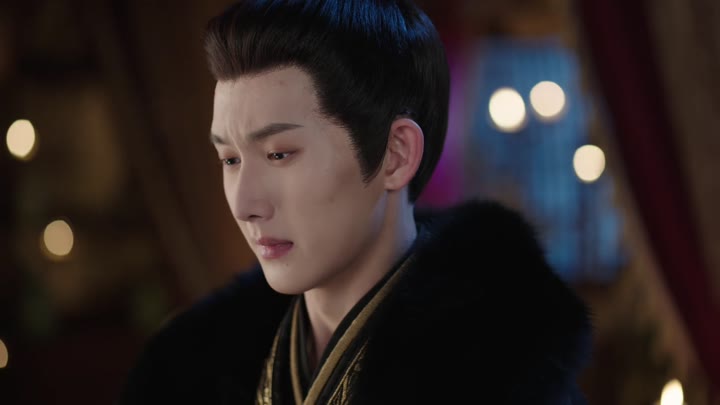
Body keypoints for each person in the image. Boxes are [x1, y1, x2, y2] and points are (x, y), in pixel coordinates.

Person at [118, 0, 593, 403]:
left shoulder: (507, 377)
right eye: (230, 159)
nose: (245, 204)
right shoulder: (191, 372)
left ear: (395, 154)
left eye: (279, 154)